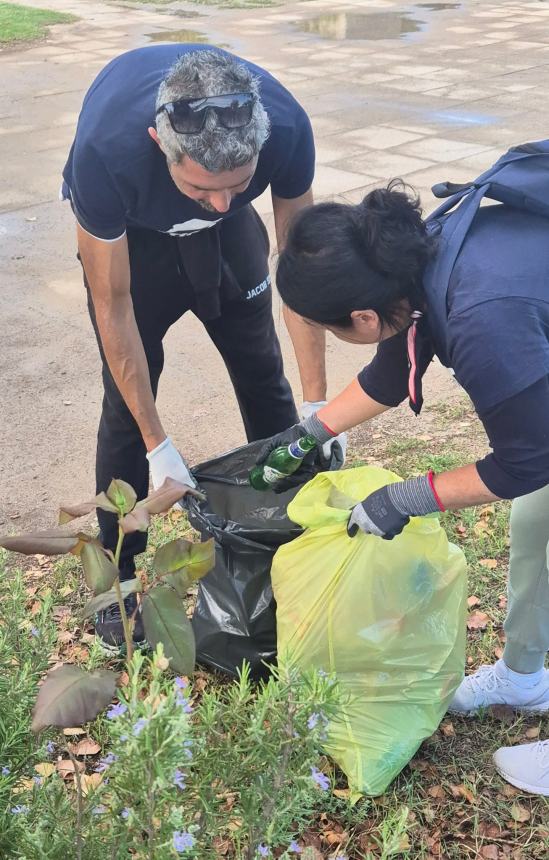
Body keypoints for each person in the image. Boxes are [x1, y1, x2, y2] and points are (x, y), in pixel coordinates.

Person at [256, 179, 549, 796]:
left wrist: (403, 498)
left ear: (362, 316)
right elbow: (394, 369)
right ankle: (524, 676)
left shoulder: (479, 319)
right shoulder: (414, 258)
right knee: (537, 526)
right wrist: (309, 432)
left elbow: (526, 463)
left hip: (520, 369)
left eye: (331, 330)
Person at [62, 45, 342, 650]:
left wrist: (320, 405)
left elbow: (301, 271)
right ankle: (119, 579)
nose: (219, 200)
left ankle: (282, 544)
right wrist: (158, 443)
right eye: (203, 188)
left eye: (237, 186)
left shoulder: (287, 127)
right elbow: (113, 305)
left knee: (265, 376)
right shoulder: (106, 154)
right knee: (126, 404)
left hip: (230, 246)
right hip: (136, 244)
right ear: (160, 144)